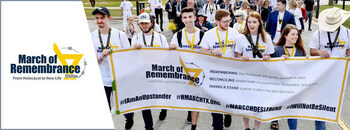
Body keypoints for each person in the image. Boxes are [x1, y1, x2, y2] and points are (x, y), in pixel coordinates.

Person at [91, 7, 132, 129]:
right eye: (97, 18)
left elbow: (128, 56)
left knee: (125, 107)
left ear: (109, 18)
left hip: (118, 78)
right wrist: (101, 57)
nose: (99, 21)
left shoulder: (119, 35)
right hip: (102, 79)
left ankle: (129, 117)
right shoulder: (92, 36)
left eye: (102, 18)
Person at [309, 8, 350, 129]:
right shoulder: (319, 33)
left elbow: (349, 49)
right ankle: (321, 127)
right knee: (321, 102)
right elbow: (311, 51)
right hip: (322, 74)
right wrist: (319, 51)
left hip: (339, 74)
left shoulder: (347, 33)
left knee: (333, 103)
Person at [200, 9, 239, 130]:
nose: (228, 23)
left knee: (227, 101)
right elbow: (202, 51)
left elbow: (239, 52)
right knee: (216, 104)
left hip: (231, 74)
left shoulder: (235, 33)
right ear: (217, 21)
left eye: (229, 20)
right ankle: (217, 125)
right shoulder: (209, 34)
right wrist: (211, 51)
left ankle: (228, 113)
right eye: (225, 21)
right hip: (214, 74)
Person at [234, 11, 274, 130]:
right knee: (246, 103)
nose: (252, 25)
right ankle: (246, 127)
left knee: (259, 104)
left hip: (261, 75)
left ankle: (256, 127)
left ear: (259, 23)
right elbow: (236, 55)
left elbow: (269, 55)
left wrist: (267, 58)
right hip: (246, 75)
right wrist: (242, 57)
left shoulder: (266, 37)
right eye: (249, 22)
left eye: (254, 22)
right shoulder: (241, 37)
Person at [131, 13, 170, 130]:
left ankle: (164, 108)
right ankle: (149, 126)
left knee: (161, 96)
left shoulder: (160, 37)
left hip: (158, 73)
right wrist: (134, 50)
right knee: (144, 102)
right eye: (141, 23)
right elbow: (131, 58)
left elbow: (168, 55)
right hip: (143, 75)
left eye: (146, 23)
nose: (144, 25)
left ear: (151, 22)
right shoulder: (135, 38)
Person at [169, 7, 205, 129]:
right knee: (188, 98)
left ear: (195, 18)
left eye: (190, 17)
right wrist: (171, 50)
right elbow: (170, 56)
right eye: (185, 17)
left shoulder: (203, 35)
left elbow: (208, 54)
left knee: (196, 100)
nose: (188, 20)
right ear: (182, 19)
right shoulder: (178, 35)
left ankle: (194, 126)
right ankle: (189, 112)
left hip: (198, 73)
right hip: (183, 73)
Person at [270, 24, 308, 130]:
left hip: (293, 88)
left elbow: (304, 70)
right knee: (277, 109)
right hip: (279, 87)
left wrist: (308, 62)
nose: (295, 36)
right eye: (293, 34)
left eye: (297, 34)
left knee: (292, 111)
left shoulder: (300, 51)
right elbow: (268, 67)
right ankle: (274, 120)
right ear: (285, 35)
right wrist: (277, 61)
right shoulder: (276, 50)